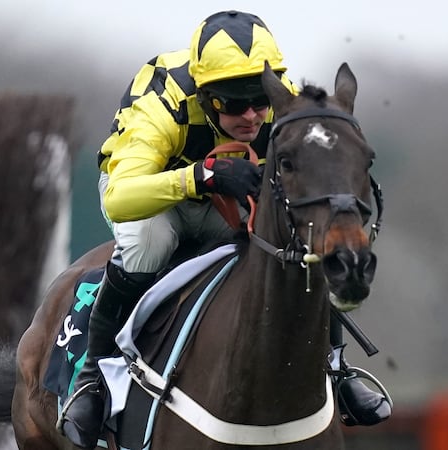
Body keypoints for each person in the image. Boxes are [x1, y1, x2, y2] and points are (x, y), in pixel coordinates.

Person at [60, 10, 391, 448]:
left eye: (260, 100)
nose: (252, 116)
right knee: (149, 243)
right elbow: (120, 198)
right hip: (151, 194)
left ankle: (334, 365)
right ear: (204, 93)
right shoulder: (163, 103)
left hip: (222, 196)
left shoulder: (283, 102)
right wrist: (202, 178)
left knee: (290, 236)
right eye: (234, 105)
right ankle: (93, 377)